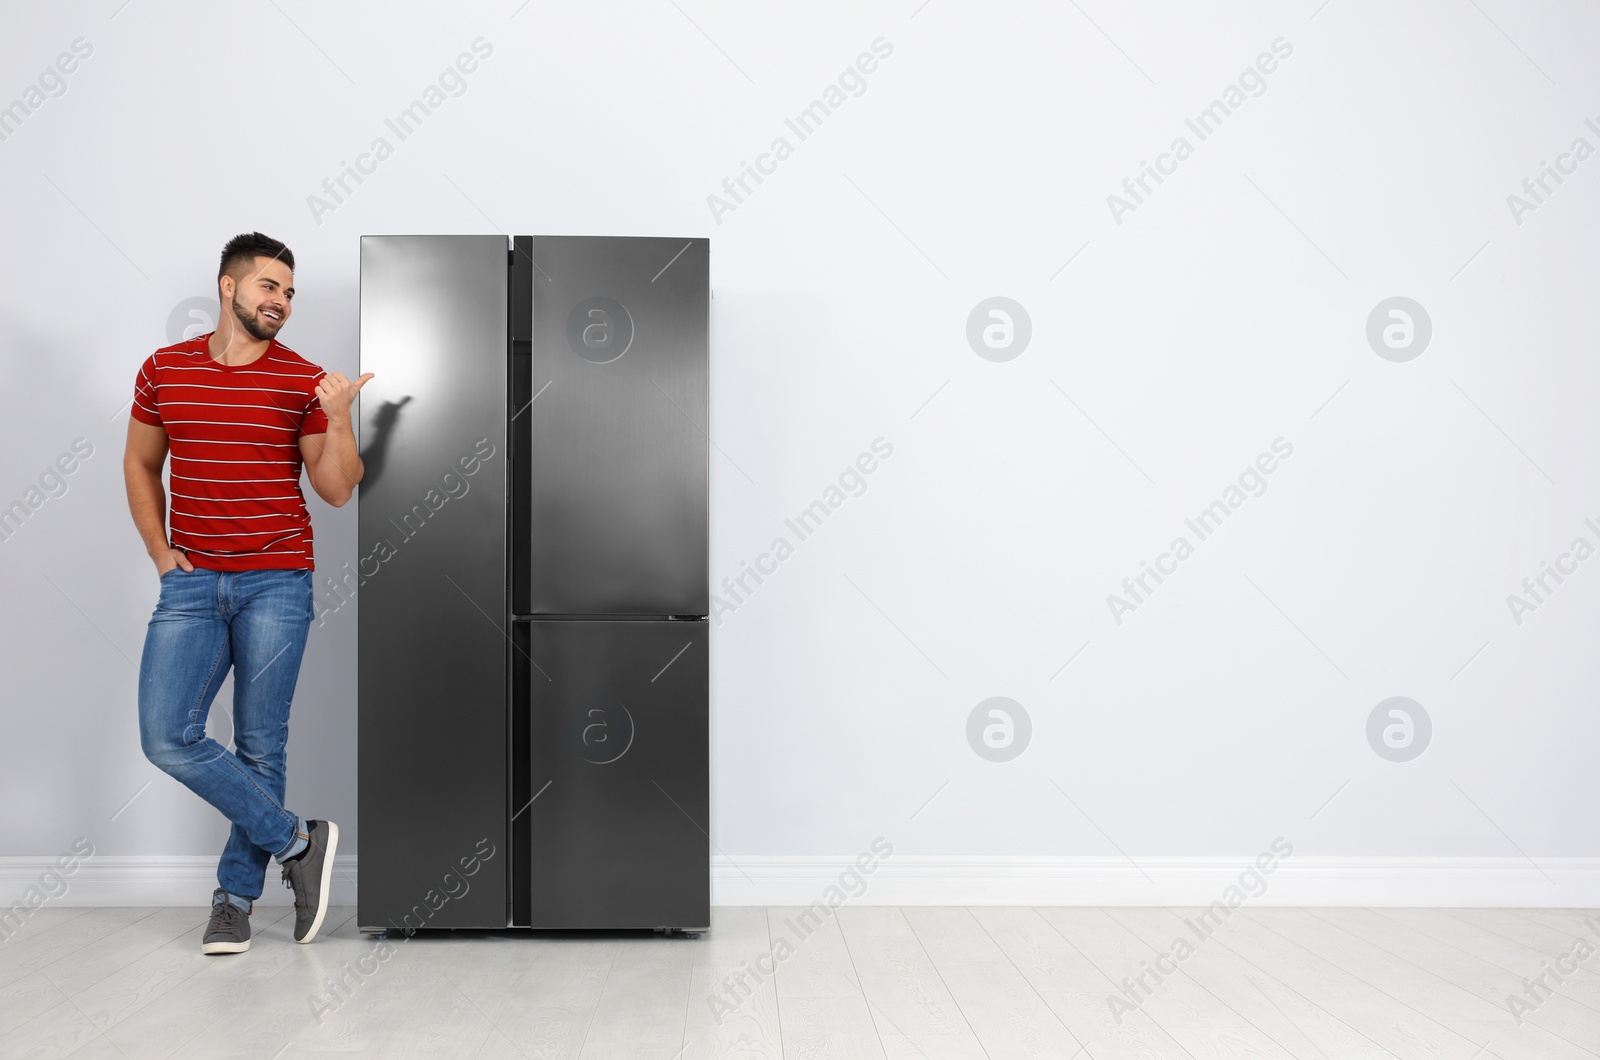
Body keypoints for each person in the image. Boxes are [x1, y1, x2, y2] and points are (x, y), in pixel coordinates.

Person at [122, 231, 371, 954]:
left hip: (277, 581)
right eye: (270, 287)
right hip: (192, 585)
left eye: (290, 293)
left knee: (262, 742)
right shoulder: (164, 370)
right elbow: (141, 466)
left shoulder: (303, 380)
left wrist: (337, 416)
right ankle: (300, 844)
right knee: (167, 735)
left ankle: (234, 898)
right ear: (228, 288)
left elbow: (334, 491)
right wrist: (162, 556)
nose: (282, 303)